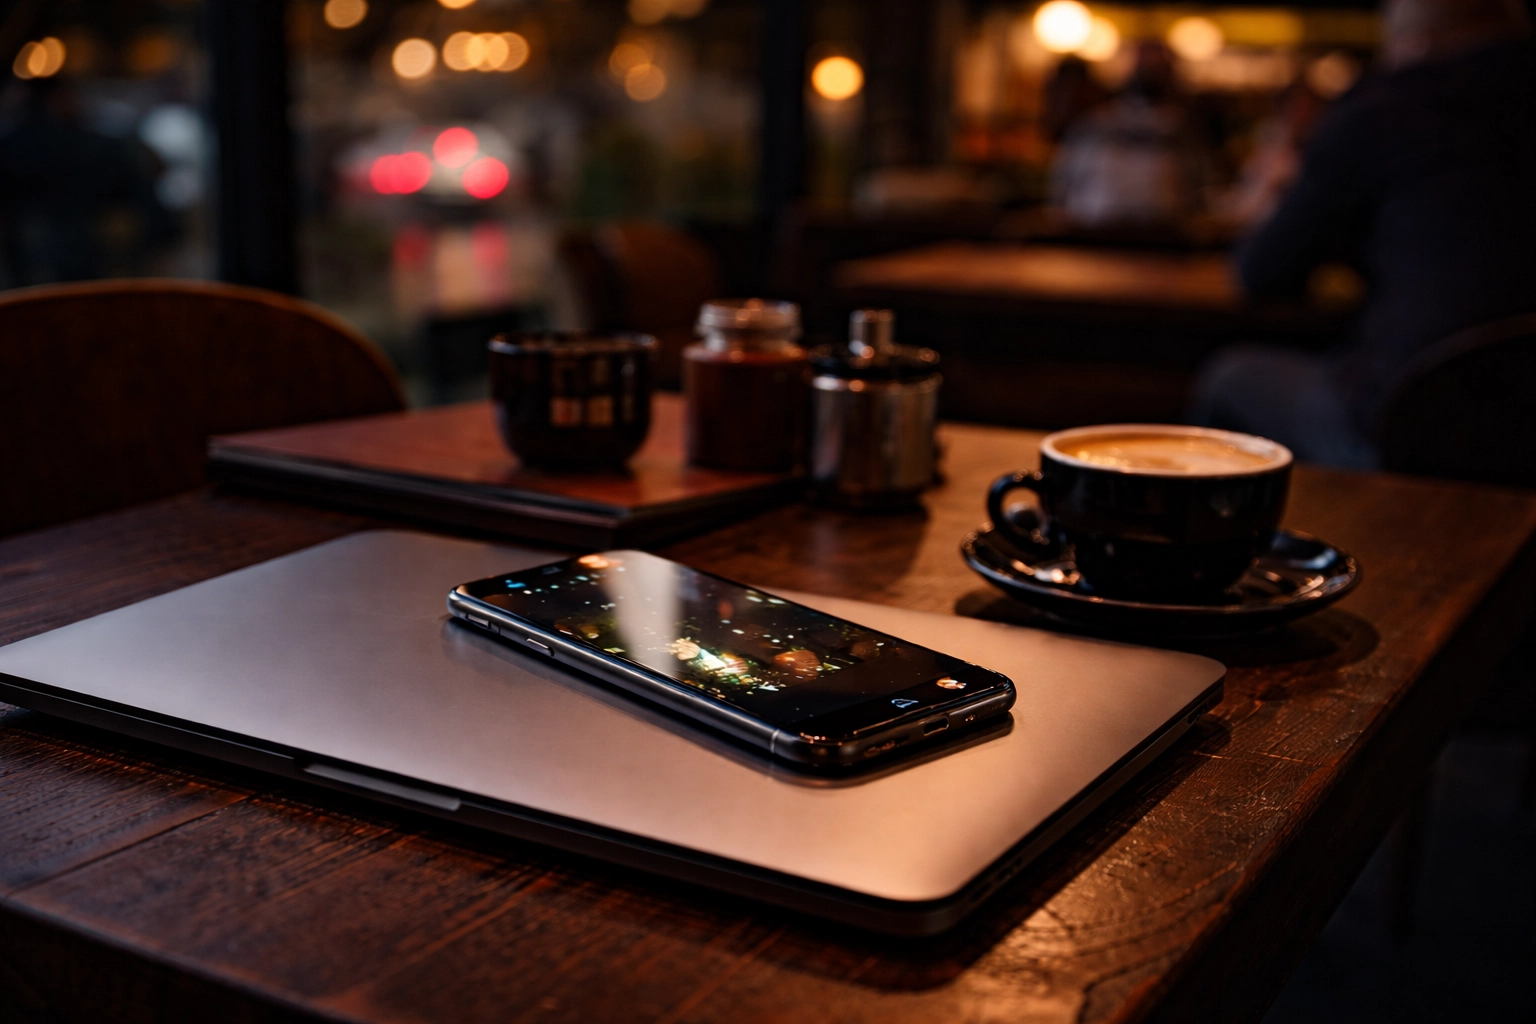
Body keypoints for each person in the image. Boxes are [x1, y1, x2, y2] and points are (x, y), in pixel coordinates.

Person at [1189, 0, 1536, 468]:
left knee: (1230, 377)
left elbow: (1262, 271)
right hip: (1517, 426)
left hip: (1415, 421)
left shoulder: (1387, 107)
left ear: (1411, 40)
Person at [1049, 42, 1210, 230]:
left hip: (1159, 237)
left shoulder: (1182, 130)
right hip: (1098, 236)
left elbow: (1201, 191)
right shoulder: (1095, 125)